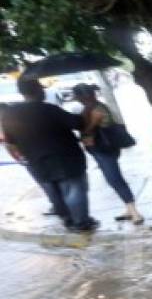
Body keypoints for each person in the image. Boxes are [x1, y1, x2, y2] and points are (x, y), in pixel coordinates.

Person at [2, 77, 96, 231]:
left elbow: (10, 141)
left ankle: (68, 220)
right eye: (40, 87)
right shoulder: (49, 109)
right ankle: (81, 222)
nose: (43, 90)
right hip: (65, 158)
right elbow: (79, 124)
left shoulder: (10, 114)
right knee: (74, 189)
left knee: (54, 192)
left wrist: (20, 156)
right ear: (38, 90)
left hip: (36, 161)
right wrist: (87, 108)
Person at [73, 83, 144, 224]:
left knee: (115, 178)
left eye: (80, 97)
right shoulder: (88, 109)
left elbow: (95, 129)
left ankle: (134, 211)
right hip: (97, 149)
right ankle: (129, 209)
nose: (80, 99)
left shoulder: (98, 109)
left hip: (105, 149)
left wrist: (92, 124)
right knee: (111, 179)